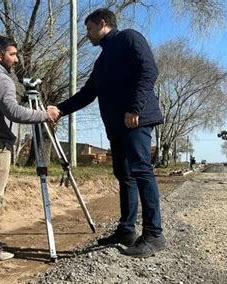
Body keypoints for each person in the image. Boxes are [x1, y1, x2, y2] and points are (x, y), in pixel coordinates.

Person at [56, 8, 166, 258]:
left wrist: (134, 108)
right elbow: (87, 93)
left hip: (135, 120)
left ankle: (154, 234)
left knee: (141, 171)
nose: (88, 34)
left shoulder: (129, 38)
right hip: (117, 126)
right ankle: (127, 230)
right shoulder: (102, 60)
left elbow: (149, 70)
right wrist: (59, 110)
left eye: (89, 28)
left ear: (102, 23)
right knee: (124, 175)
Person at [0, 35, 59, 261]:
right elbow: (13, 112)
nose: (16, 60)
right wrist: (43, 115)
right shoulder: (0, 79)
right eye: (12, 54)